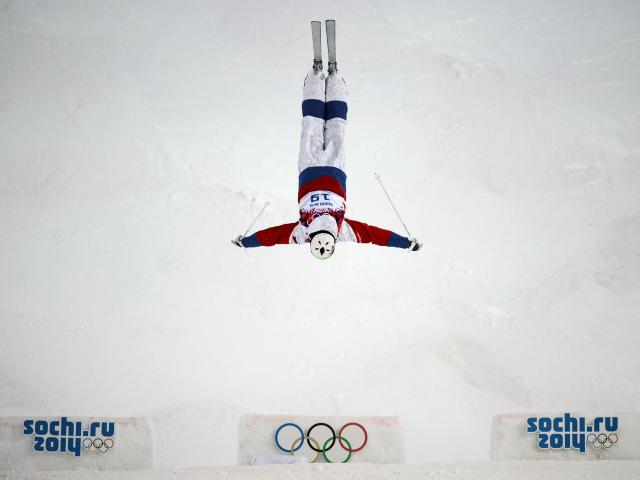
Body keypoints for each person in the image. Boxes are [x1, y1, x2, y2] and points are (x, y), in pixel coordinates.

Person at [232, 66, 422, 260]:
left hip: (333, 168)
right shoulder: (305, 233)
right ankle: (317, 79)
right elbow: (274, 236)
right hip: (310, 167)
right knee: (313, 124)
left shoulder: (338, 231)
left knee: (335, 126)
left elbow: (374, 235)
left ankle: (334, 81)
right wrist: (247, 241)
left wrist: (405, 243)